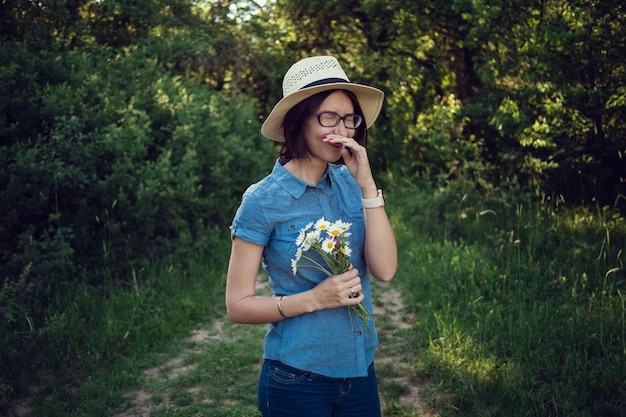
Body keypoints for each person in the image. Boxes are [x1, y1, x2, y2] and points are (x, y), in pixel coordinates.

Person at [225, 55, 398, 417]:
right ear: (298, 120)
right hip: (295, 380)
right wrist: (314, 299)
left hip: (360, 373)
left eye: (350, 119)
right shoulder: (262, 200)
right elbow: (237, 306)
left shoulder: (352, 184)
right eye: (329, 117)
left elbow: (385, 271)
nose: (344, 129)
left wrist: (367, 184)